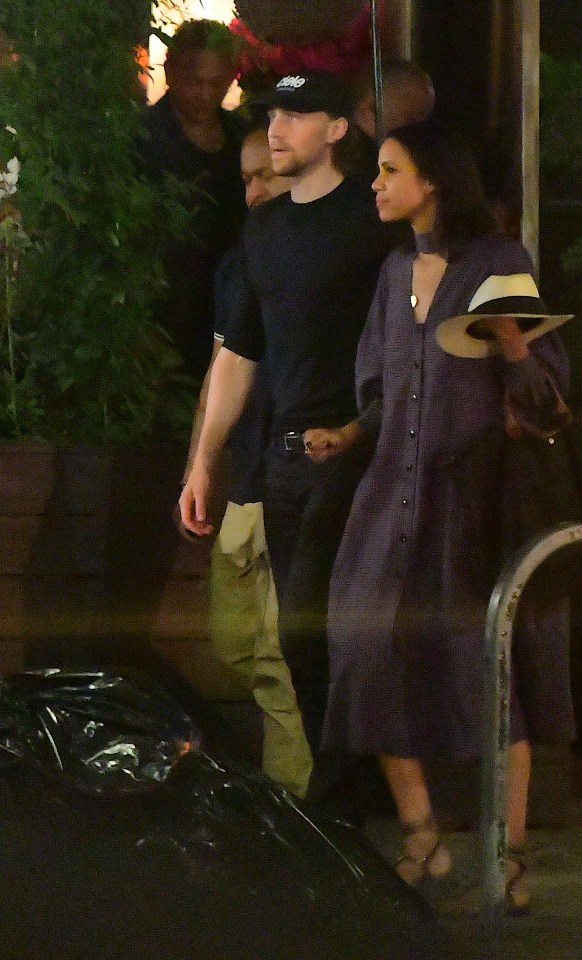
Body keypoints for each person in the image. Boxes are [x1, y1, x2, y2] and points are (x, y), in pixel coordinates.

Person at [302, 120, 571, 913]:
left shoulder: (496, 263)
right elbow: (386, 389)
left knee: (483, 669)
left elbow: (548, 394)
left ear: (434, 182)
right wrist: (346, 434)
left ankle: (510, 854)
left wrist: (514, 345)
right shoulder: (392, 273)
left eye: (391, 171)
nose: (377, 185)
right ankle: (421, 833)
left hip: (470, 499)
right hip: (391, 494)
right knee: (363, 647)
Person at [179, 71, 392, 774]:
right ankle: (334, 802)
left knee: (320, 630)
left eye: (297, 116)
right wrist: (205, 459)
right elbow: (237, 352)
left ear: (337, 129)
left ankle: (346, 802)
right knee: (291, 638)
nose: (277, 128)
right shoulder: (265, 227)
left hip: (358, 451)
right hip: (281, 455)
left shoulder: (372, 216)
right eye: (272, 114)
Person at [180, 127, 312, 797]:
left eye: (270, 175)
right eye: (247, 178)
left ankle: (294, 806)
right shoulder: (241, 259)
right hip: (246, 472)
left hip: (285, 472)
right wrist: (199, 462)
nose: (256, 189)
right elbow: (222, 361)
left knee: (271, 658)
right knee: (236, 644)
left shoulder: (317, 256)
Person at [140, 19, 247, 382]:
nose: (205, 94)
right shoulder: (143, 137)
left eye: (217, 83)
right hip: (165, 305)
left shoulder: (242, 137)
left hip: (230, 300)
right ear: (169, 71)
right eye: (193, 81)